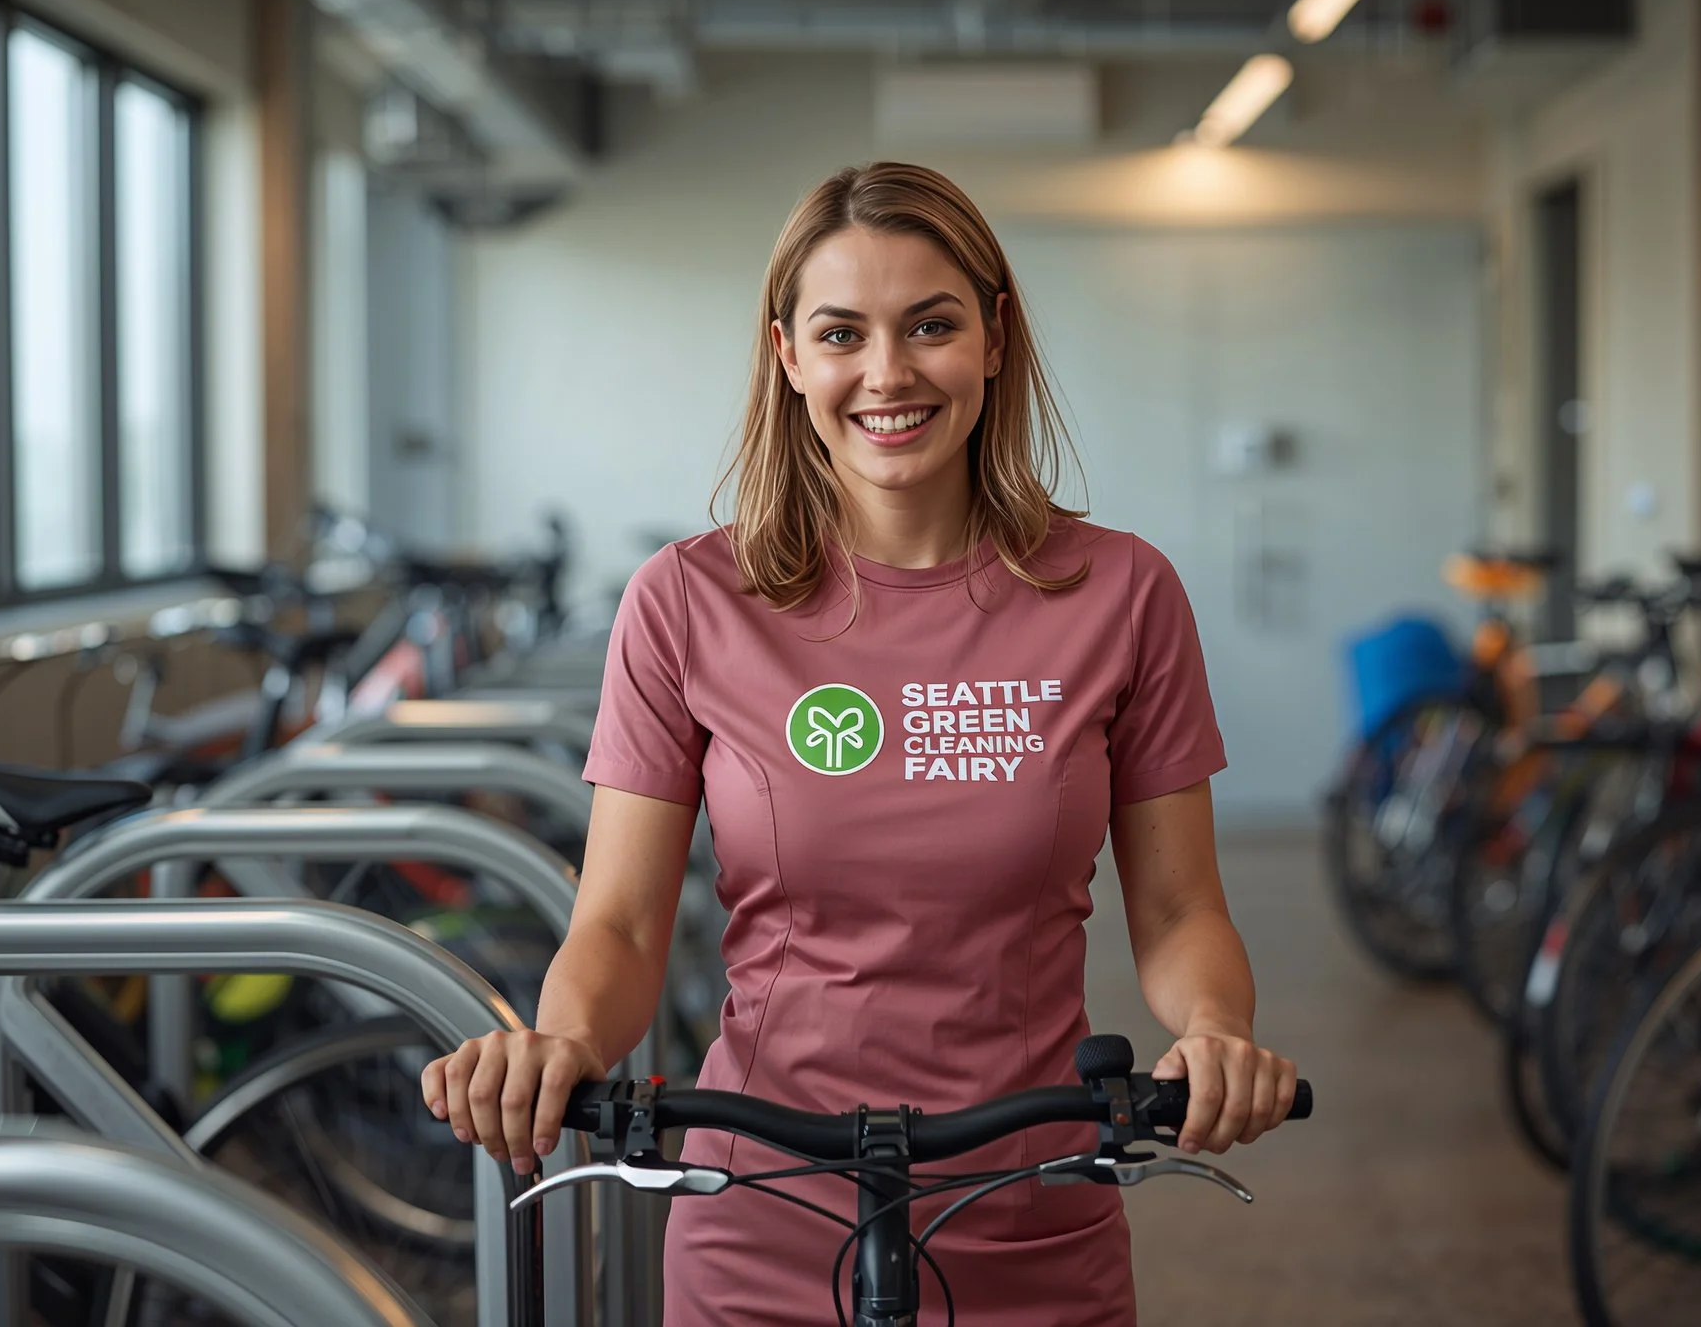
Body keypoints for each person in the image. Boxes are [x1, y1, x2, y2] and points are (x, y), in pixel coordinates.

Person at [423, 160, 1296, 1325]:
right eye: (842, 333)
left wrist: (1216, 1032)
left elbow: (1182, 909)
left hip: (1033, 1203)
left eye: (929, 325)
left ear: (993, 337)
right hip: (762, 1207)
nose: (887, 373)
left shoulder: (1121, 592)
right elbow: (622, 923)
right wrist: (561, 1039)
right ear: (788, 355)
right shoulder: (687, 599)